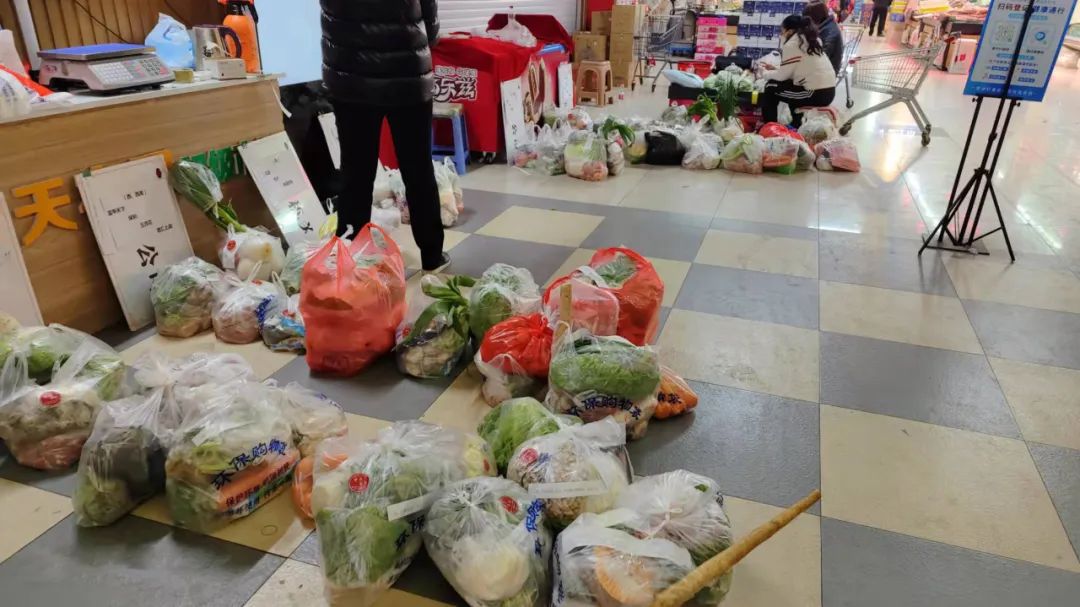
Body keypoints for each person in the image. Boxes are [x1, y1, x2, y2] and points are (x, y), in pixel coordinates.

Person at [321, 0, 449, 272]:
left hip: (351, 73)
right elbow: (429, 12)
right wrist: (425, 37)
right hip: (408, 70)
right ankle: (432, 254)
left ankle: (351, 258)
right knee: (418, 169)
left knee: (355, 173)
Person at [760, 15, 837, 128]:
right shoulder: (812, 40)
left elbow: (782, 76)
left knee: (770, 87)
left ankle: (770, 127)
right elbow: (795, 71)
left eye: (782, 31)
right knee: (792, 86)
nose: (781, 35)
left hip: (815, 93)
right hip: (828, 90)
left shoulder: (792, 44)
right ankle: (796, 124)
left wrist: (764, 74)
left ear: (790, 31)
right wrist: (775, 69)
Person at [804, 1, 843, 75]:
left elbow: (822, 56)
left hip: (827, 72)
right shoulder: (826, 26)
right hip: (825, 67)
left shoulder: (829, 32)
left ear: (814, 17)